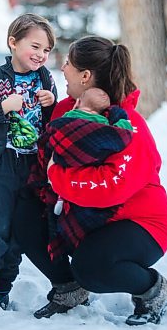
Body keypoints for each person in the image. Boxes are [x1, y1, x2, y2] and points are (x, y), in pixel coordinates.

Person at [0, 36, 167, 326]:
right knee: (25, 212)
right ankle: (68, 288)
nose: (62, 68)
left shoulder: (127, 126)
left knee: (91, 268)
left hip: (139, 224)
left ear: (85, 75)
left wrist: (57, 174)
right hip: (88, 220)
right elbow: (26, 139)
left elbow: (109, 188)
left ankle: (151, 289)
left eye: (67, 63)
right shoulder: (65, 109)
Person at [0, 13, 57, 313]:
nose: (41, 55)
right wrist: (4, 106)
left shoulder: (45, 80)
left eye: (47, 50)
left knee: (17, 234)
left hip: (32, 168)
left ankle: (2, 289)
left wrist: (51, 103)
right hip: (2, 164)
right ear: (13, 42)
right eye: (36, 46)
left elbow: (52, 126)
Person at [27, 87, 134, 264]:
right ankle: (63, 201)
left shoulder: (68, 117)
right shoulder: (103, 124)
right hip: (87, 163)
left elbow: (51, 135)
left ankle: (59, 199)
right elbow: (124, 132)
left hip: (62, 160)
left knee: (59, 166)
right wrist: (120, 115)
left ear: (77, 102)